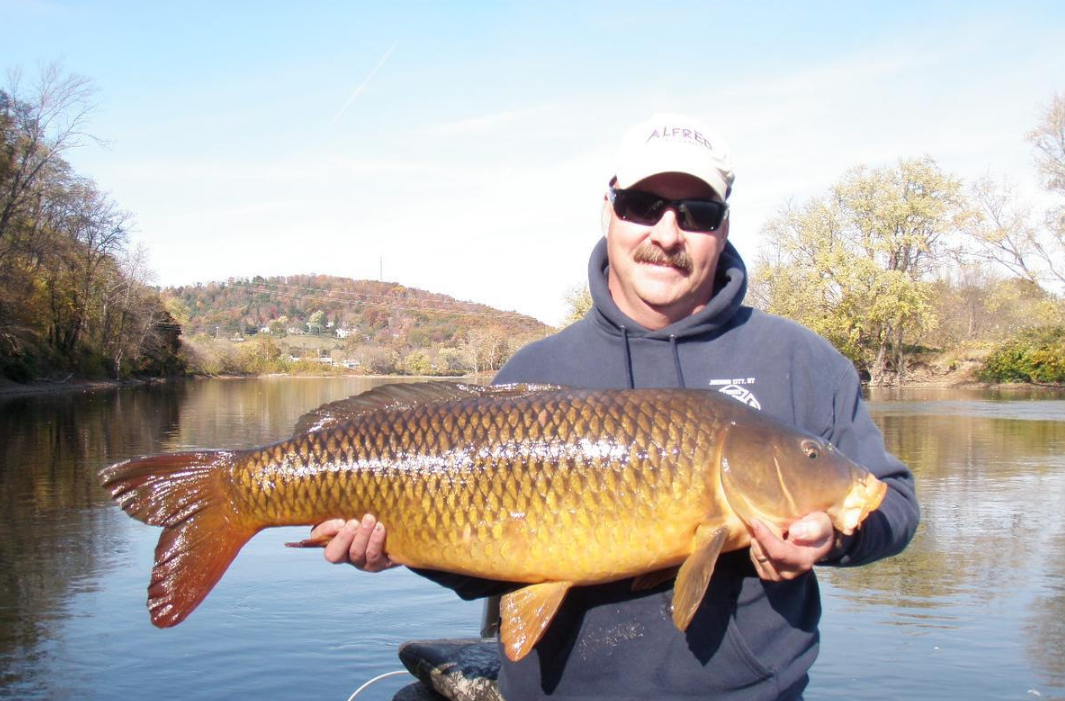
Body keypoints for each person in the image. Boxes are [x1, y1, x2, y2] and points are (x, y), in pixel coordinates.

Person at [311, 113, 920, 700]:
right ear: (609, 212)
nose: (667, 233)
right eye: (643, 206)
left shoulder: (799, 360)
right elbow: (484, 560)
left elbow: (889, 502)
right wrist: (399, 547)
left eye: (698, 213)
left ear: (724, 228)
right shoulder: (537, 371)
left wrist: (831, 541)